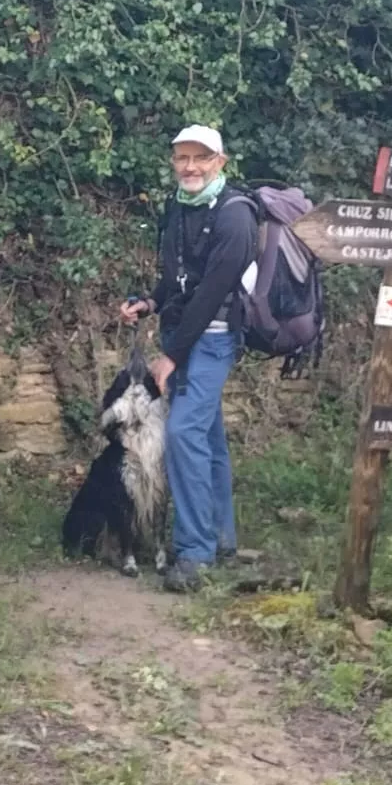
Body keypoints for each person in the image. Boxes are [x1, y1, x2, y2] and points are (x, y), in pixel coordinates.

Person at [121, 125, 258, 594]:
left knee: (182, 433)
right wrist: (151, 303)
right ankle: (222, 538)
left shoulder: (236, 218)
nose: (190, 167)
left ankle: (194, 553)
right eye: (182, 158)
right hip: (184, 332)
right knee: (207, 436)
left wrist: (171, 357)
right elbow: (176, 277)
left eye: (201, 158)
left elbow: (213, 292)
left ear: (221, 162)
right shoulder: (178, 205)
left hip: (214, 339)